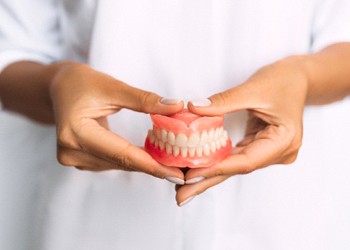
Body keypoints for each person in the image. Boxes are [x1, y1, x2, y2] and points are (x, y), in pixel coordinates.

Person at [1, 0, 350, 249]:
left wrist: (302, 77)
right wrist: (57, 84)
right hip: (94, 222)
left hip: (282, 218)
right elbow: (12, 55)